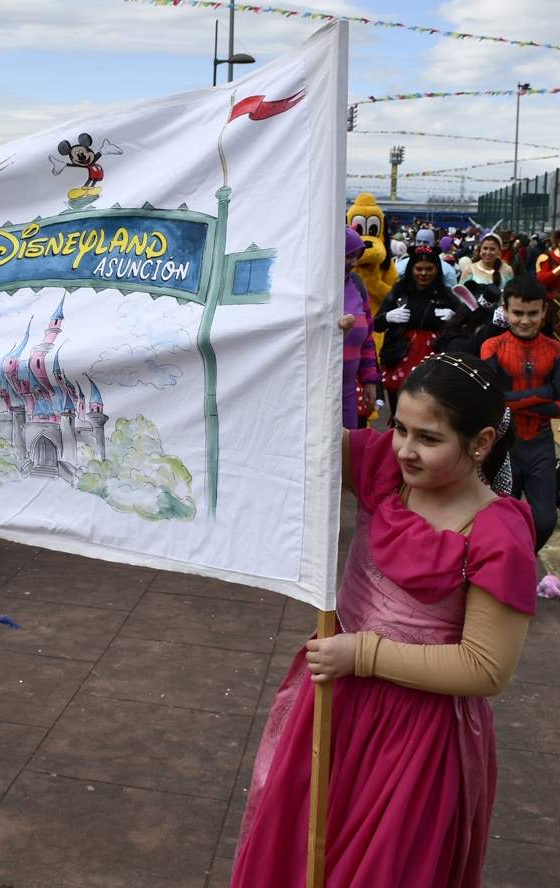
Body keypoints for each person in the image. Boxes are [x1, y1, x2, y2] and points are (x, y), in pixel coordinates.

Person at [232, 352, 536, 888]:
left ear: (482, 442)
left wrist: (362, 653)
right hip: (333, 703)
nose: (405, 449)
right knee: (300, 852)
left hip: (417, 737)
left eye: (428, 438)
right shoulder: (383, 469)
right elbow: (293, 430)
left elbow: (487, 668)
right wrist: (314, 340)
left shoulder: (498, 534)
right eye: (399, 427)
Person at [480, 278, 560, 550]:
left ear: (544, 311)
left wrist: (512, 400)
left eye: (533, 313)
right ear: (505, 311)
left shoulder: (557, 350)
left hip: (540, 446)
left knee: (544, 521)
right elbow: (492, 402)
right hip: (504, 444)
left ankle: (522, 560)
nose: (525, 320)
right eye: (518, 313)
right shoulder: (492, 346)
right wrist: (543, 393)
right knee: (498, 518)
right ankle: (504, 566)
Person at [377, 245, 460, 416]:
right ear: (411, 269)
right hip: (399, 356)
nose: (423, 273)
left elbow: (464, 327)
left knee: (429, 408)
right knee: (399, 409)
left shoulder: (446, 295)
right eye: (419, 269)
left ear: (437, 270)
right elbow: (376, 325)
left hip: (434, 362)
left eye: (429, 269)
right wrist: (387, 317)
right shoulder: (399, 292)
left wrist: (454, 319)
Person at [342, 228, 382, 428]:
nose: (354, 263)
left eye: (356, 256)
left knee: (347, 441)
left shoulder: (357, 284)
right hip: (312, 390)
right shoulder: (311, 286)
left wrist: (369, 380)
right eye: (349, 256)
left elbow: (367, 339)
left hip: (348, 391)